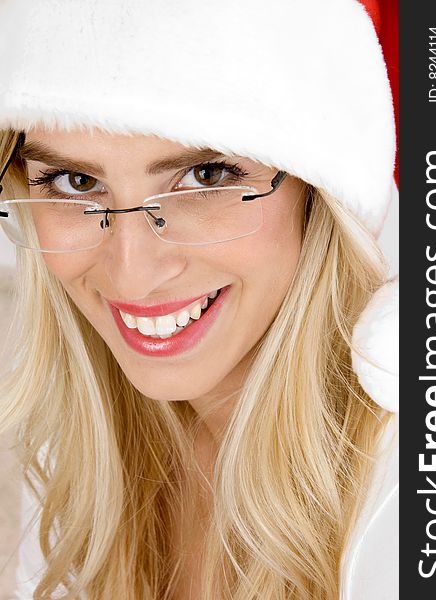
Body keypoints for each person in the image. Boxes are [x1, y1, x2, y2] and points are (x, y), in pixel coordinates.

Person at [0, 1, 399, 599]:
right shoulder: (48, 455)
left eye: (206, 177)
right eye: (75, 182)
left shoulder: (419, 498)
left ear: (319, 194)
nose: (132, 273)